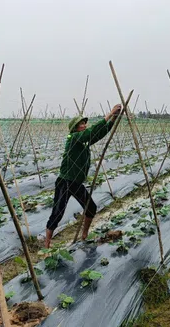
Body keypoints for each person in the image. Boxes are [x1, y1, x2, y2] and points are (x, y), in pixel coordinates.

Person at [45, 104, 122, 248]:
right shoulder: (73, 138)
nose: (85, 125)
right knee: (58, 213)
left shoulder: (84, 141)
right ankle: (47, 244)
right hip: (65, 181)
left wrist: (113, 120)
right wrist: (110, 113)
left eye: (84, 123)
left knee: (91, 208)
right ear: (75, 128)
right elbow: (91, 132)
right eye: (81, 124)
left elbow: (98, 133)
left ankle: (84, 235)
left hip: (76, 183)